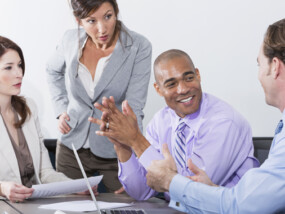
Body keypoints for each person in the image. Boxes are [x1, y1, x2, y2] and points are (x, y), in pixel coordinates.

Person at [146, 18, 285, 213]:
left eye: (259, 65)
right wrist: (212, 190)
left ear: (275, 66)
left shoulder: (225, 120)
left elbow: (243, 206)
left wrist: (170, 181)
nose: (259, 75)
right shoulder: (160, 120)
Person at [89, 49, 259, 200]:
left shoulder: (224, 122)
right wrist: (122, 145)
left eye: (189, 78)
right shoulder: (160, 121)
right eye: (171, 84)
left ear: (198, 75)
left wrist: (136, 140)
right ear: (158, 89)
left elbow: (192, 191)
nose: (183, 89)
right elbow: (141, 192)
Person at [46, 0, 151, 193]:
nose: (102, 29)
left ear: (116, 12)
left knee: (128, 206)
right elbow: (52, 71)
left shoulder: (139, 46)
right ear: (79, 21)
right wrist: (61, 110)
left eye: (108, 16)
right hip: (72, 146)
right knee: (68, 207)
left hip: (115, 148)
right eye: (91, 21)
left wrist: (133, 164)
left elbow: (134, 107)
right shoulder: (69, 40)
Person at [0, 36, 94, 203]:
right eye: (9, 67)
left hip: (35, 205)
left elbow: (45, 173)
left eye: (20, 65)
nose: (19, 73)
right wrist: (2, 188)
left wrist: (76, 186)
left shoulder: (28, 108)